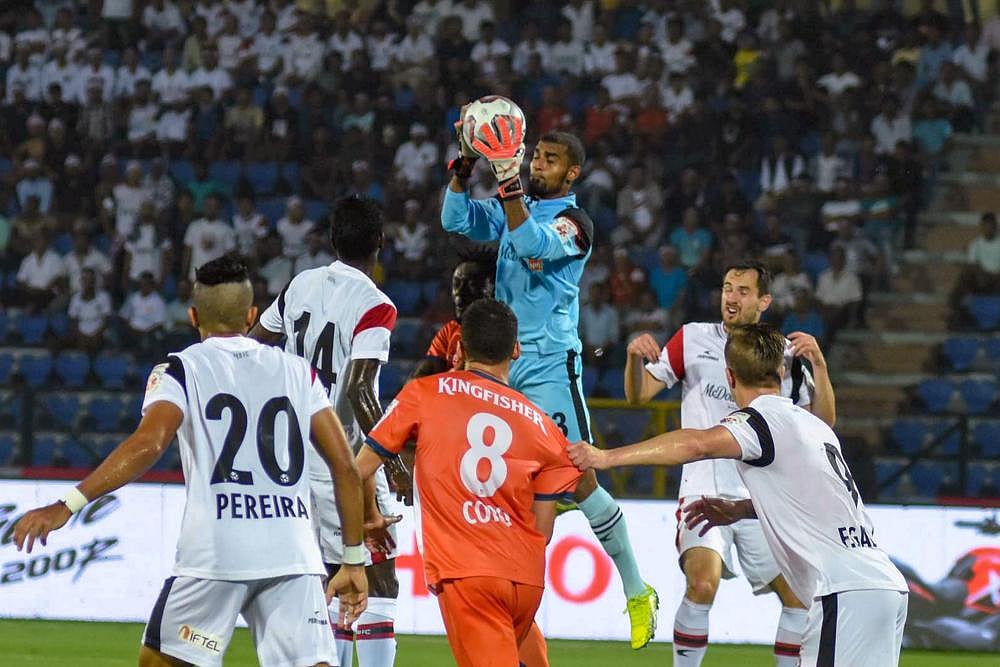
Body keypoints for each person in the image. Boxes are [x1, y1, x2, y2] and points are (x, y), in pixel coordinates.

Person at [13, 254, 368, 667]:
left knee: (160, 662)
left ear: (193, 316)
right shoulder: (298, 371)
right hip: (292, 554)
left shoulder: (181, 370)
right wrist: (353, 560)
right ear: (252, 315)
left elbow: (149, 444)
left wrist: (67, 504)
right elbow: (345, 466)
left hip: (216, 556)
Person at [571, 323, 907, 667]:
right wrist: (741, 509)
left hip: (842, 590)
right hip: (884, 583)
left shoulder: (760, 422)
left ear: (729, 376)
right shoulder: (815, 426)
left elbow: (696, 444)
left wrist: (606, 457)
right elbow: (813, 500)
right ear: (780, 372)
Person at [442, 121, 658, 649]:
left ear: (572, 173)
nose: (538, 163)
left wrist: (509, 185)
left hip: (549, 366)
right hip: (503, 365)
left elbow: (530, 241)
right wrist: (464, 167)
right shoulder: (514, 205)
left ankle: (637, 590)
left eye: (550, 159)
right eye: (535, 155)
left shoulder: (574, 222)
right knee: (515, 495)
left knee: (579, 475)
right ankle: (515, 617)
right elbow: (454, 219)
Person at [623, 261, 836, 667]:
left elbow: (822, 423)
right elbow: (639, 395)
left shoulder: (782, 353)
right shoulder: (692, 338)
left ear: (764, 301)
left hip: (763, 497)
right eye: (726, 288)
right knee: (703, 583)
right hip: (703, 487)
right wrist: (634, 359)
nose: (731, 298)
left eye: (742, 291)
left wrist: (820, 367)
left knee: (799, 598)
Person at [356, 299, 582, 667]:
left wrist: (368, 518)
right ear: (516, 349)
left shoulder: (424, 393)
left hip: (467, 573)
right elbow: (543, 530)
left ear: (460, 347)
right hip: (526, 580)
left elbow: (358, 468)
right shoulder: (544, 426)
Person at [250, 195, 403, 667]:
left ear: (333, 240)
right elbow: (359, 387)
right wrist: (393, 460)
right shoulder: (375, 305)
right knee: (378, 582)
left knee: (327, 581)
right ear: (380, 242)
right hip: (344, 460)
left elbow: (257, 344)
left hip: (292, 460)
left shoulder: (300, 284)